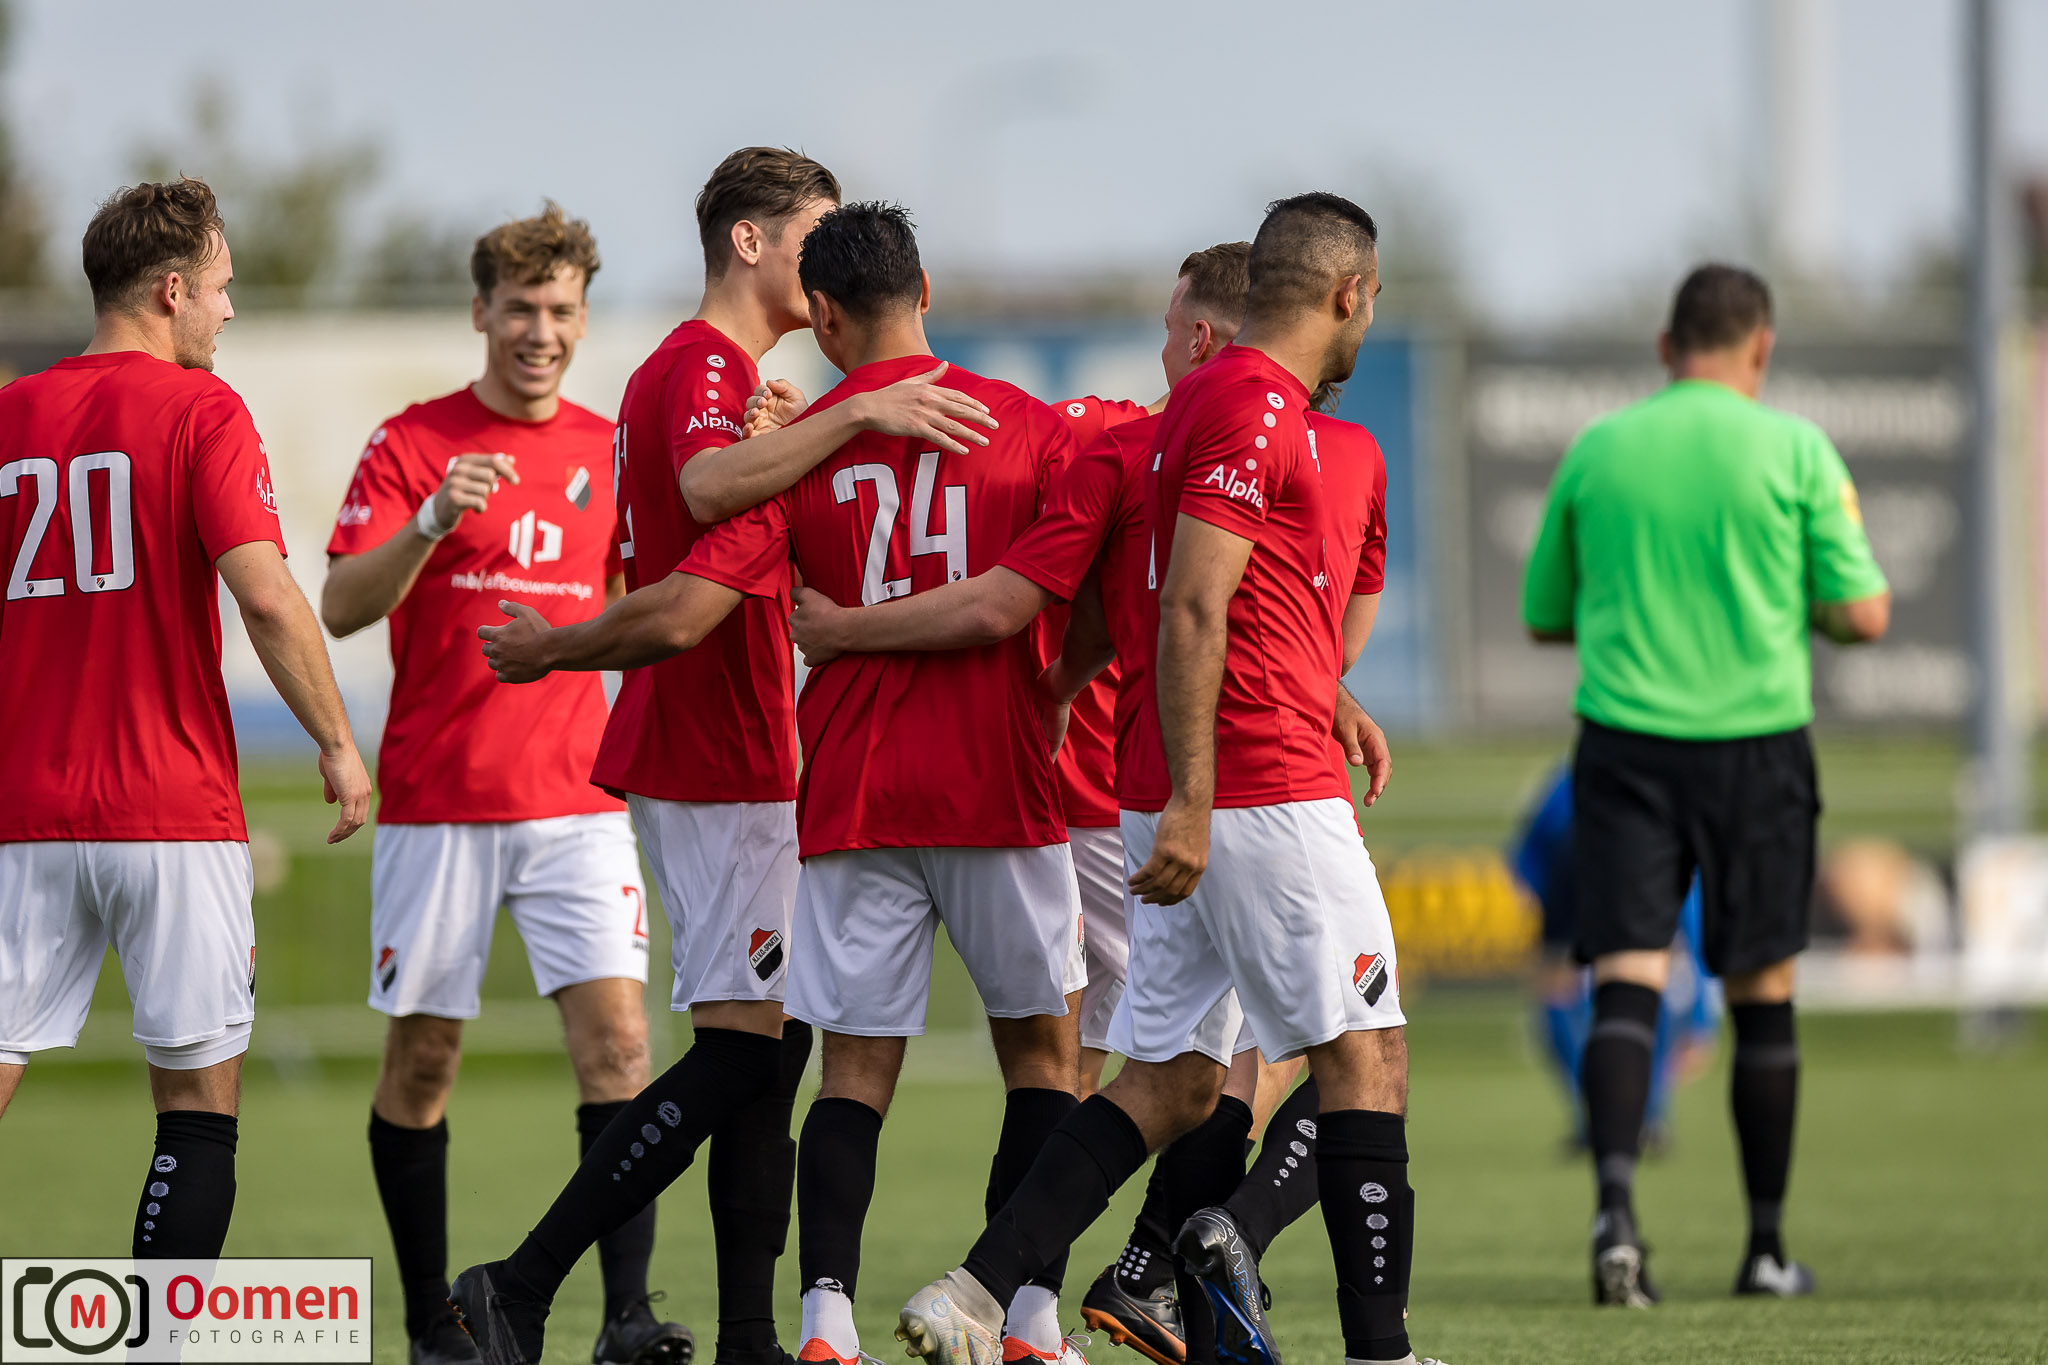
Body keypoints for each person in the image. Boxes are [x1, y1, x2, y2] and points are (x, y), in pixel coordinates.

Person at [454, 202, 1081, 1365]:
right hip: (915, 781)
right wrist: (1067, 688)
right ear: (925, 290)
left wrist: (566, 643)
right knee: (1018, 1058)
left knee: (820, 1063)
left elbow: (698, 564)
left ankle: (789, 1325)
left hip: (841, 792)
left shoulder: (790, 441)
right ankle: (1023, 1317)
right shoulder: (1016, 424)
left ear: (828, 314)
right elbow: (1049, 582)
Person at [781, 244, 1394, 1365]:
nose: (1161, 348)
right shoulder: (1226, 438)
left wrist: (1058, 686)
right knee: (1286, 1059)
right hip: (1174, 794)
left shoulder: (1122, 441)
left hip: (1089, 786)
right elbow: (1165, 606)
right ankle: (1136, 1291)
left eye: (1167, 327)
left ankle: (951, 1300)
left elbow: (1193, 610)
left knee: (1167, 1071)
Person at [321, 203, 691, 1365]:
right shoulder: (411, 443)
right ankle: (431, 1322)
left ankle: (624, 1319)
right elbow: (340, 604)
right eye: (521, 309)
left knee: (619, 1052)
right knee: (424, 1059)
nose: (541, 332)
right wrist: (432, 519)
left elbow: (639, 609)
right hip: (439, 803)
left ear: (583, 318)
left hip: (579, 803)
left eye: (561, 311)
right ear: (481, 312)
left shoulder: (607, 450)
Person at [0, 178, 372, 1256]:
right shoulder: (202, 409)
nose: (229, 309)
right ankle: (159, 1336)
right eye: (220, 287)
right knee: (198, 1109)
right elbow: (267, 595)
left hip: (22, 811)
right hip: (168, 807)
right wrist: (338, 742)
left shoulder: (10, 414)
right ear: (171, 291)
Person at [1521, 262, 1891, 1306]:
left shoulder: (1599, 448)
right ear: (1761, 347)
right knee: (1761, 994)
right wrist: (1790, 606)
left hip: (1624, 745)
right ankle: (1763, 1250)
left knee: (1625, 979)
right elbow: (1862, 614)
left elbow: (1543, 614)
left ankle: (1614, 1221)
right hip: (1757, 747)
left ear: (1665, 347)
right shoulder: (1795, 448)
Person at [1509, 765, 1721, 1154]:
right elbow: (1533, 859)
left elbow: (1527, 860)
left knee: (1583, 984)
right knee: (1638, 979)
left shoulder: (1573, 781)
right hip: (1600, 868)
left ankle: (1621, 1113)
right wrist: (1702, 1019)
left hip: (1607, 865)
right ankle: (1629, 1113)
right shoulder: (1587, 786)